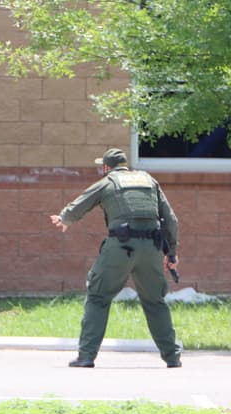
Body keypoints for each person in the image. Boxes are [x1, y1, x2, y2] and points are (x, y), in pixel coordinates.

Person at [50, 147, 182, 369]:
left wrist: (65, 218)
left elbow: (83, 201)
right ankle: (172, 357)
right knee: (155, 301)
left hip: (120, 247)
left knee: (98, 296)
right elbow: (171, 220)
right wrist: (172, 253)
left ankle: (86, 356)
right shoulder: (149, 181)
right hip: (151, 247)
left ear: (105, 167)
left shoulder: (108, 182)